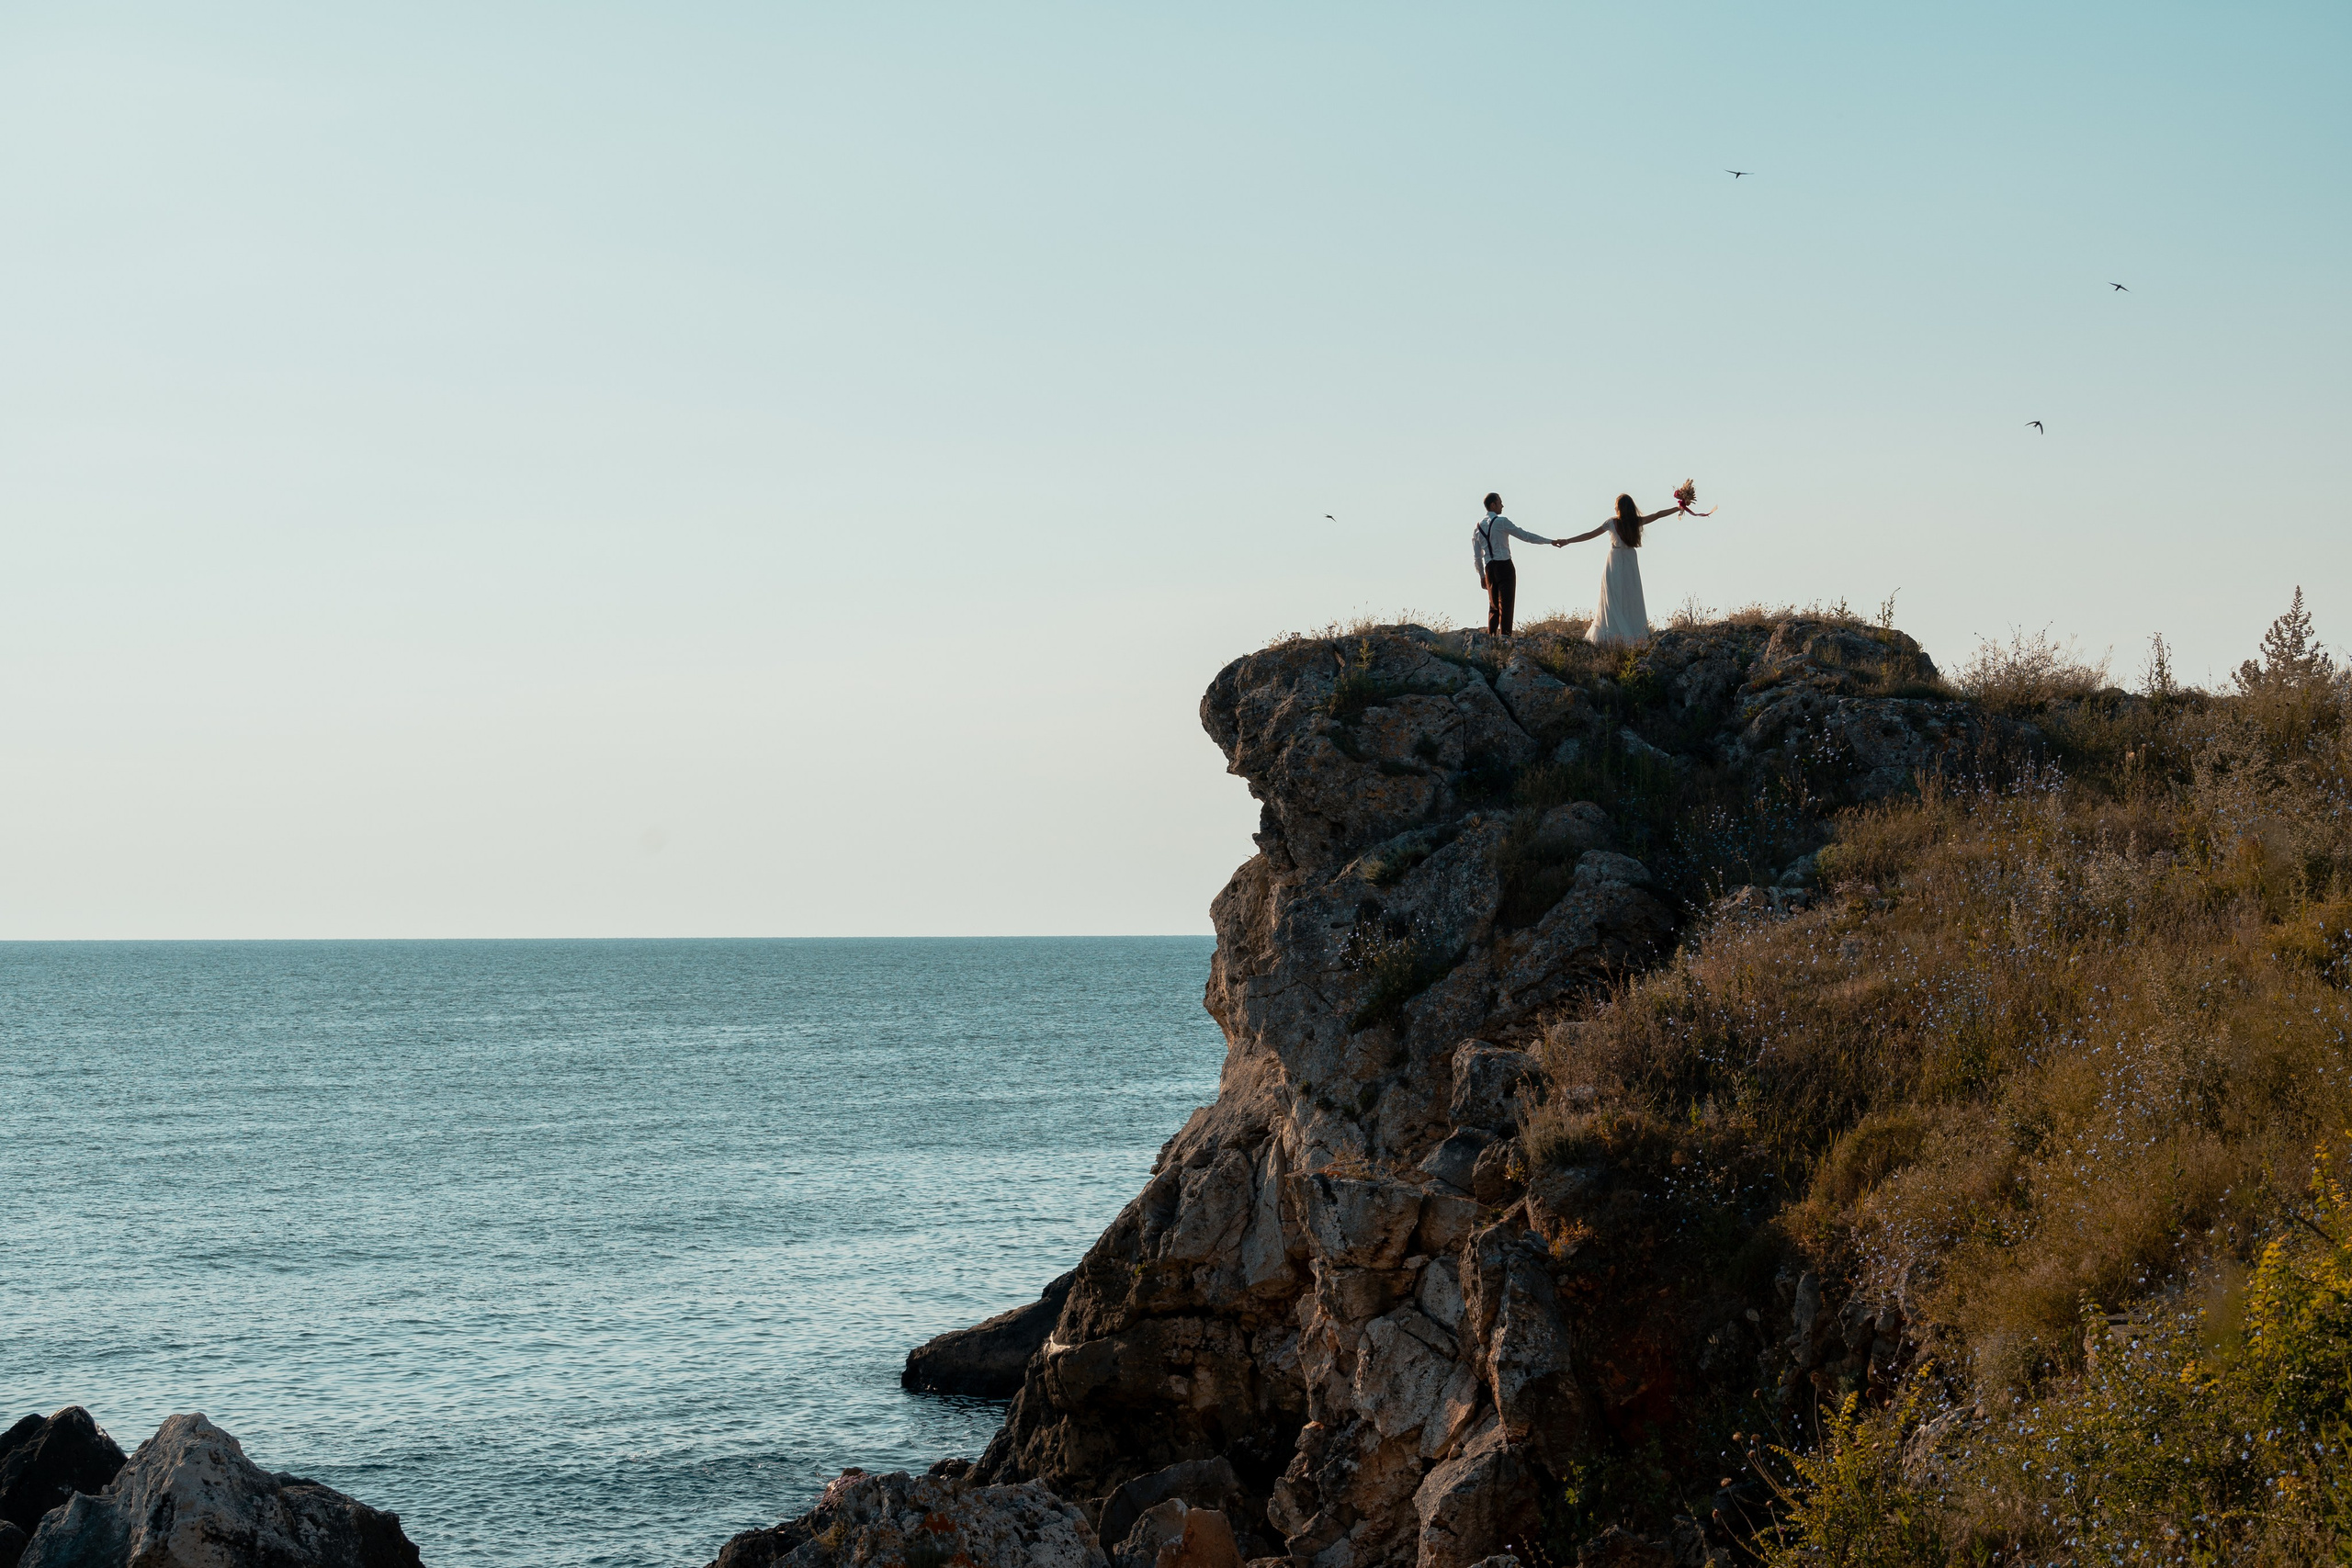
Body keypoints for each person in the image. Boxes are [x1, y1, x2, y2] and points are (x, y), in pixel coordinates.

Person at [1560, 493, 1681, 648]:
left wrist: (1567, 541)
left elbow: (1590, 534)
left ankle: (1614, 632)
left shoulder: (1612, 523)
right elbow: (1657, 515)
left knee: (1613, 596)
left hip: (1615, 559)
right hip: (1629, 559)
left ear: (1619, 507)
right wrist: (1678, 507)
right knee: (1630, 595)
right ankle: (1629, 632)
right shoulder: (1635, 522)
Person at [1469, 493, 1567, 636]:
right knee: (1506, 603)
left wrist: (1482, 576)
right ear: (1493, 505)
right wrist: (1549, 541)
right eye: (1500, 502)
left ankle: (1491, 636)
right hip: (1504, 565)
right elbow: (1525, 536)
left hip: (1489, 568)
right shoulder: (1501, 521)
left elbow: (1477, 556)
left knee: (1493, 605)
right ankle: (1505, 637)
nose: (1502, 505)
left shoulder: (1477, 527)